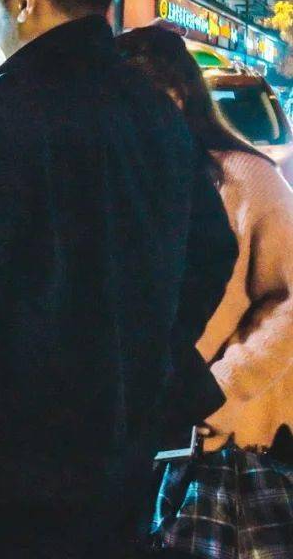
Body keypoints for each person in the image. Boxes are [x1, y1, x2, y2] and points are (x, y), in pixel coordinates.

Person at [0, 0, 236, 557]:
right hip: (125, 444)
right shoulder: (154, 111)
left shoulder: (3, 112)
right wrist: (147, 350)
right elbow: (213, 252)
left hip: (15, 452)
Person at [116, 26, 293, 458]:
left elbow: (287, 302)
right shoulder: (121, 179)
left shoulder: (245, 178)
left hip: (225, 437)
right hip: (137, 430)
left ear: (178, 97)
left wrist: (221, 389)